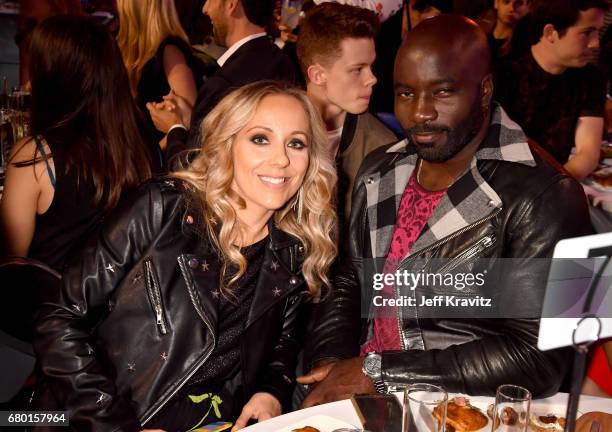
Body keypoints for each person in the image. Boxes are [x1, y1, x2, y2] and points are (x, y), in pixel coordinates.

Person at [299, 14, 591, 405]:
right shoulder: (380, 170)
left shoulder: (555, 195)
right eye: (405, 94)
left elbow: (542, 361)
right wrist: (334, 366)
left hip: (464, 408)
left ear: (484, 90)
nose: (420, 113)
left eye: (442, 92)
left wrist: (379, 373)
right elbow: (351, 279)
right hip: (369, 399)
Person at [32, 81, 337, 432]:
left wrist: (271, 389)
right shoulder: (163, 209)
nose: (282, 159)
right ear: (226, 145)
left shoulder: (293, 249)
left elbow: (282, 344)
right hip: (99, 417)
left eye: (296, 143)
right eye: (260, 139)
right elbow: (58, 317)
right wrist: (115, 425)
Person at [0, 15, 153, 271]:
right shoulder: (140, 144)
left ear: (54, 79)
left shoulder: (35, 157)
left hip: (55, 306)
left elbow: (11, 263)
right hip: (124, 305)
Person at [148, 0, 297, 168]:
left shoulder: (224, 83)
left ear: (231, 4)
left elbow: (190, 170)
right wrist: (192, 119)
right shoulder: (282, 60)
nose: (205, 9)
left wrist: (174, 127)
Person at [296, 2, 397, 222]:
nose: (372, 79)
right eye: (357, 70)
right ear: (318, 75)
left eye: (371, 66)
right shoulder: (274, 128)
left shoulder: (381, 147)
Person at [494, 0, 609, 180]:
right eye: (587, 33)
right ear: (550, 33)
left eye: (597, 32)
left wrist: (550, 189)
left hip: (550, 185)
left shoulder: (591, 79)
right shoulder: (503, 74)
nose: (595, 43)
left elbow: (587, 153)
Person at [116, 0, 202, 146]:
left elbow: (191, 125)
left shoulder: (170, 52)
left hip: (164, 163)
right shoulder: (123, 51)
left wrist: (150, 157)